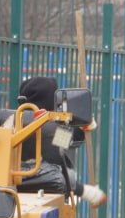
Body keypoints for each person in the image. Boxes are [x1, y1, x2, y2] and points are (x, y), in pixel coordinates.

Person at [16, 76, 105, 206]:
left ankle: (85, 191)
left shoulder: (11, 123)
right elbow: (72, 138)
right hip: (48, 192)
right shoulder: (52, 129)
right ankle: (85, 191)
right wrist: (85, 123)